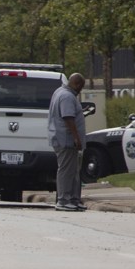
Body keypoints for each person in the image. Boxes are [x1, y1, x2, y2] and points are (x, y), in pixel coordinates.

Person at [48, 72, 87, 211]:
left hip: (65, 139)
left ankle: (73, 199)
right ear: (77, 84)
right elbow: (68, 117)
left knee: (74, 171)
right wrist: (76, 137)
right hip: (66, 140)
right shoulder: (67, 96)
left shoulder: (60, 91)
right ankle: (63, 200)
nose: (80, 90)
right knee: (66, 170)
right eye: (81, 87)